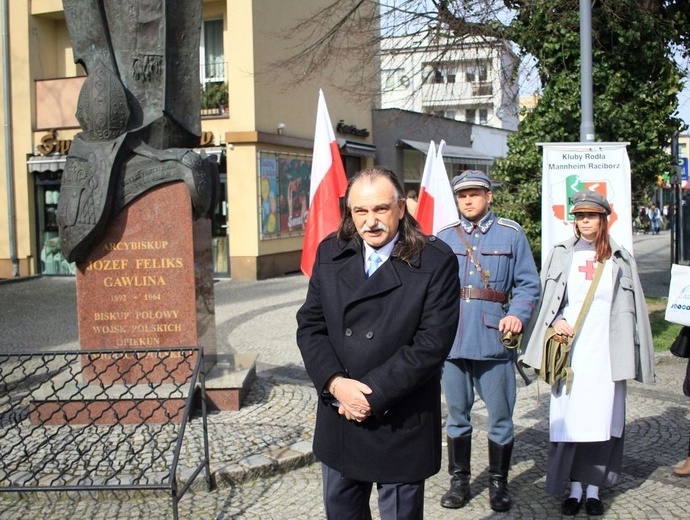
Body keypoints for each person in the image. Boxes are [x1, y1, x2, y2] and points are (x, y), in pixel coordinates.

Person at [296, 167, 460, 519]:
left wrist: (370, 394)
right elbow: (310, 326)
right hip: (340, 414)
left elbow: (432, 343)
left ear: (401, 208)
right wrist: (335, 384)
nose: (370, 221)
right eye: (360, 211)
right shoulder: (331, 252)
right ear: (349, 212)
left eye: (380, 209)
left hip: (399, 418)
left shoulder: (435, 260)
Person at [521, 189, 655, 517]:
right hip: (572, 354)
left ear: (603, 219)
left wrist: (639, 357)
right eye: (580, 216)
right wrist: (559, 320)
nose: (584, 222)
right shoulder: (561, 254)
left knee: (602, 422)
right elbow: (548, 302)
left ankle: (593, 489)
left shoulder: (620, 258)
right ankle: (574, 487)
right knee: (570, 423)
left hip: (607, 353)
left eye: (591, 216)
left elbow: (635, 309)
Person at [436, 170, 540, 512]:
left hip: (493, 339)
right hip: (452, 340)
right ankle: (460, 483)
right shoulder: (444, 238)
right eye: (462, 195)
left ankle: (498, 485)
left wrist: (518, 315)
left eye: (474, 193)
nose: (467, 200)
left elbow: (528, 284)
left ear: (489, 196)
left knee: (499, 416)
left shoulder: (511, 235)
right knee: (456, 416)